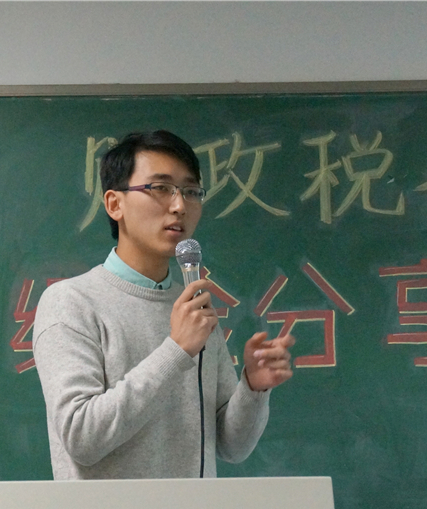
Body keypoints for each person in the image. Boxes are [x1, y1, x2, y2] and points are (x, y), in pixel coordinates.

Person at [32, 130, 295, 480]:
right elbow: (82, 437)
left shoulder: (193, 307)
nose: (179, 206)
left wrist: (253, 388)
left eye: (191, 191)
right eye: (160, 188)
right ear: (114, 204)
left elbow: (232, 447)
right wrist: (176, 350)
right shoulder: (71, 302)